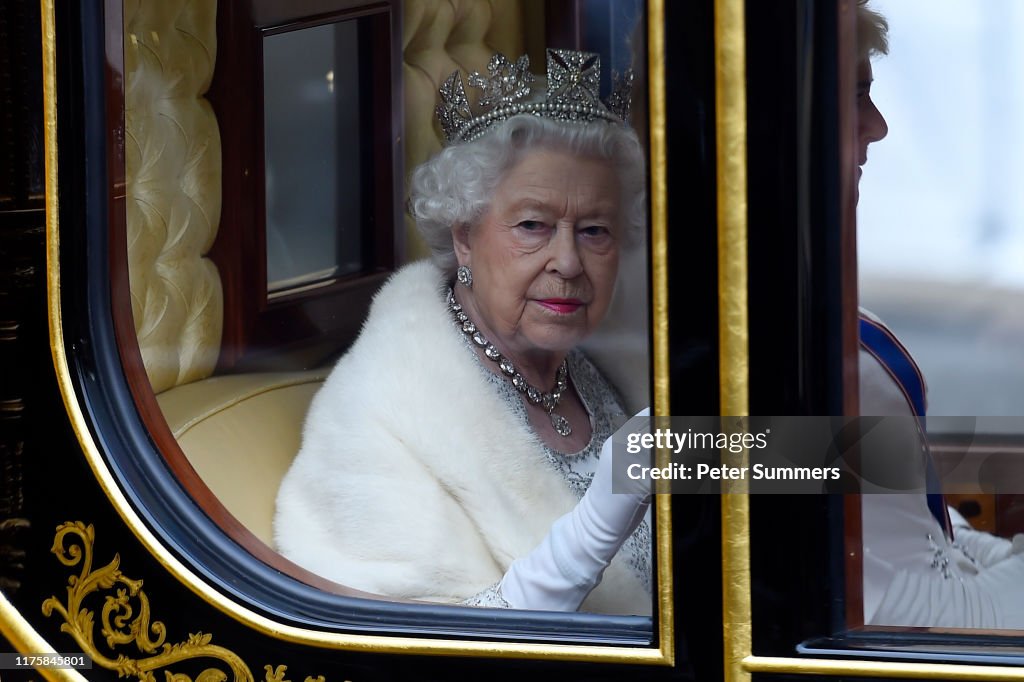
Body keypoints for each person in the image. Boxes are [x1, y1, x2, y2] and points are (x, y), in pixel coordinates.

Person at [273, 50, 652, 615]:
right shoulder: (376, 417)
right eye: (533, 226)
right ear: (465, 237)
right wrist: (596, 527)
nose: (569, 262)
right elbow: (430, 651)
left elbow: (804, 465)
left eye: (595, 230)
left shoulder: (613, 365)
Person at [856, 0, 1024, 628]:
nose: (879, 126)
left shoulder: (813, 297)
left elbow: (900, 522)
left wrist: (979, 551)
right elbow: (875, 590)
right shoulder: (756, 336)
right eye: (853, 97)